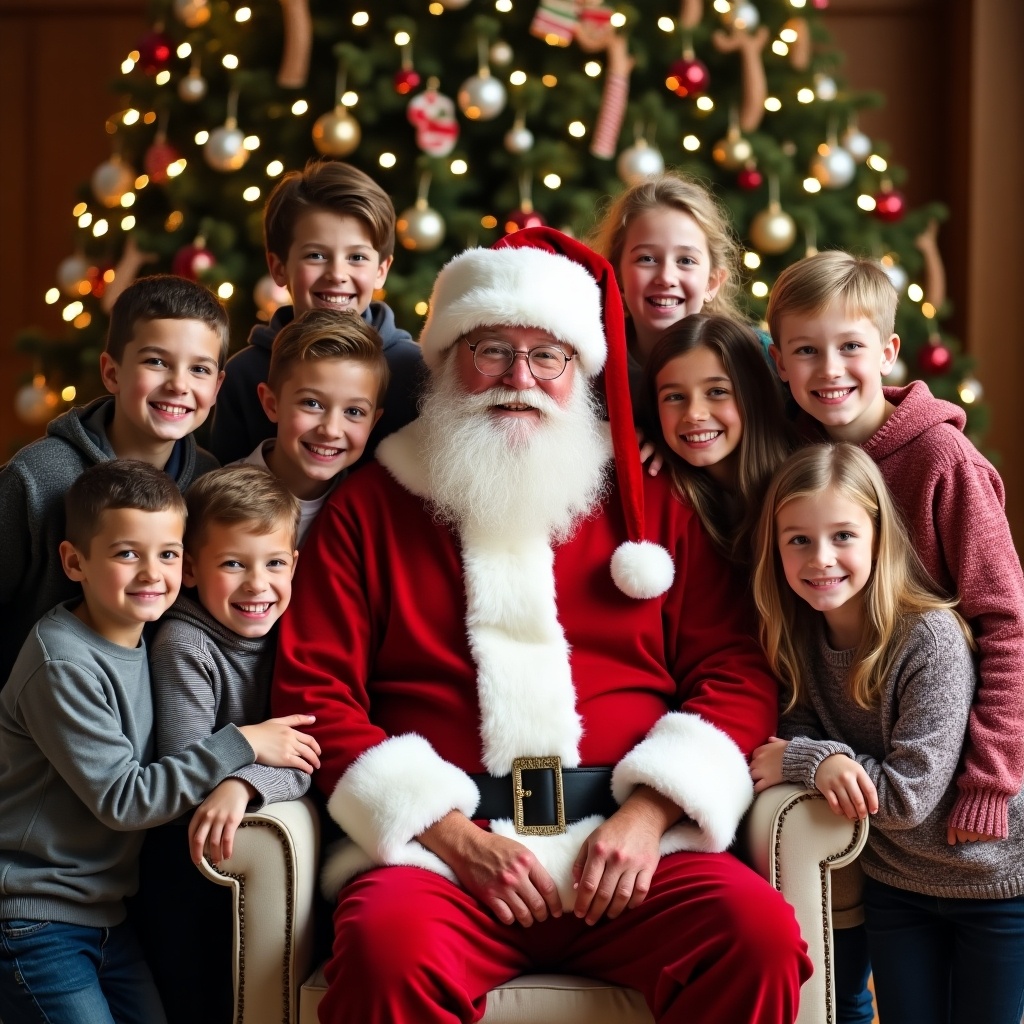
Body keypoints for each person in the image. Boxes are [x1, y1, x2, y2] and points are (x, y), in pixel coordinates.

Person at [273, 227, 811, 1024]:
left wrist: (649, 812)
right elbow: (318, 692)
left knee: (755, 935)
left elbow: (734, 670)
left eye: (546, 356)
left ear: (578, 370)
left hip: (634, 849)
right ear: (449, 358)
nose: (517, 379)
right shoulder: (372, 506)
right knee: (385, 953)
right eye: (491, 349)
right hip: (444, 855)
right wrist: (451, 834)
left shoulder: (649, 497)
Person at [0, 459, 321, 1024]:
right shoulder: (63, 663)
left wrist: (245, 778)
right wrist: (242, 742)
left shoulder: (141, 636)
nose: (152, 573)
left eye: (167, 554)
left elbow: (295, 753)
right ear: (75, 562)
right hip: (34, 915)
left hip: (105, 915)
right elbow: (125, 800)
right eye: (127, 554)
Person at [749, 442, 1024, 1024]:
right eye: (798, 539)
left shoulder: (929, 637)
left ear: (880, 537)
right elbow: (794, 739)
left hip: (995, 885)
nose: (820, 558)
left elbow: (905, 798)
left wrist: (807, 762)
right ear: (775, 549)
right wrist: (816, 760)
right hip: (896, 887)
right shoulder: (798, 641)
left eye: (843, 535)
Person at [136, 465, 305, 1024]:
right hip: (180, 866)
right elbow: (184, 777)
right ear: (189, 570)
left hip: (242, 843)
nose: (258, 584)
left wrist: (243, 782)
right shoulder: (186, 645)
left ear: (294, 565)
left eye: (274, 563)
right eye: (234, 564)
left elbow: (303, 756)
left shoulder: (293, 629)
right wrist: (249, 753)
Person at [0, 273, 227, 684]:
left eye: (199, 369)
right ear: (111, 372)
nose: (178, 384)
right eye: (155, 361)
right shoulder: (35, 478)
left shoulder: (210, 483)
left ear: (217, 387)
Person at [208, 158, 422, 466]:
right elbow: (225, 487)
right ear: (278, 268)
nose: (337, 273)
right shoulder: (244, 374)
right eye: (316, 255)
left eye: (357, 257)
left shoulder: (414, 370)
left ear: (381, 270)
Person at [642, 313, 793, 563]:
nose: (694, 414)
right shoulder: (665, 495)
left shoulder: (802, 485)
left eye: (717, 392)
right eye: (674, 397)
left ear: (754, 396)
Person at [234, 307, 387, 546]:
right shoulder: (213, 499)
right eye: (312, 403)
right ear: (272, 405)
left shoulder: (369, 514)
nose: (331, 430)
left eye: (354, 412)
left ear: (373, 423)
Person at [589, 172, 750, 377]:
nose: (666, 278)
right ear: (617, 275)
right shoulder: (587, 366)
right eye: (646, 259)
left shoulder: (746, 364)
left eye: (686, 261)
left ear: (712, 283)